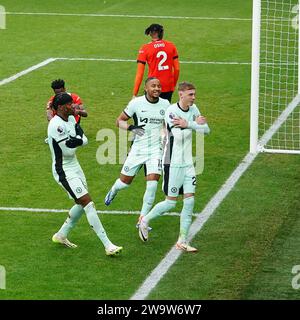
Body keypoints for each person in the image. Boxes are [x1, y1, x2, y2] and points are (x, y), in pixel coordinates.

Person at [138, 82, 210, 252]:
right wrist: (193, 125)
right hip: (172, 161)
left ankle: (182, 240)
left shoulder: (194, 109)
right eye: (191, 94)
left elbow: (206, 130)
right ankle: (144, 221)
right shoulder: (172, 111)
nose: (194, 97)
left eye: (194, 94)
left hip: (187, 163)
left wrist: (189, 124)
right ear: (181, 95)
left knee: (190, 200)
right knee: (171, 203)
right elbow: (178, 136)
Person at [47, 92, 122, 256]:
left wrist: (77, 140)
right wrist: (78, 139)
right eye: (69, 104)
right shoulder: (56, 125)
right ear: (60, 107)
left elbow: (84, 140)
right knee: (88, 203)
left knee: (82, 203)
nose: (73, 106)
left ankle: (61, 234)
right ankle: (108, 245)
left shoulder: (72, 119)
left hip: (75, 166)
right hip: (63, 170)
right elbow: (67, 151)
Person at [104, 77, 170, 228]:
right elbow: (119, 121)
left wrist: (166, 136)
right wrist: (131, 128)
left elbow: (166, 125)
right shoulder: (136, 103)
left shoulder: (165, 104)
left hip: (156, 150)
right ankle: (114, 190)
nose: (157, 89)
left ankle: (142, 220)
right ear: (146, 88)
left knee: (152, 185)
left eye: (159, 86)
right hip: (138, 149)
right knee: (124, 183)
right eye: (153, 86)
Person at [132, 23, 180, 102]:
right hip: (168, 86)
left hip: (152, 86)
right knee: (164, 111)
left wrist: (135, 93)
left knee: (149, 111)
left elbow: (140, 74)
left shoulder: (145, 48)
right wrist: (173, 85)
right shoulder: (171, 46)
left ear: (151, 33)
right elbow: (177, 69)